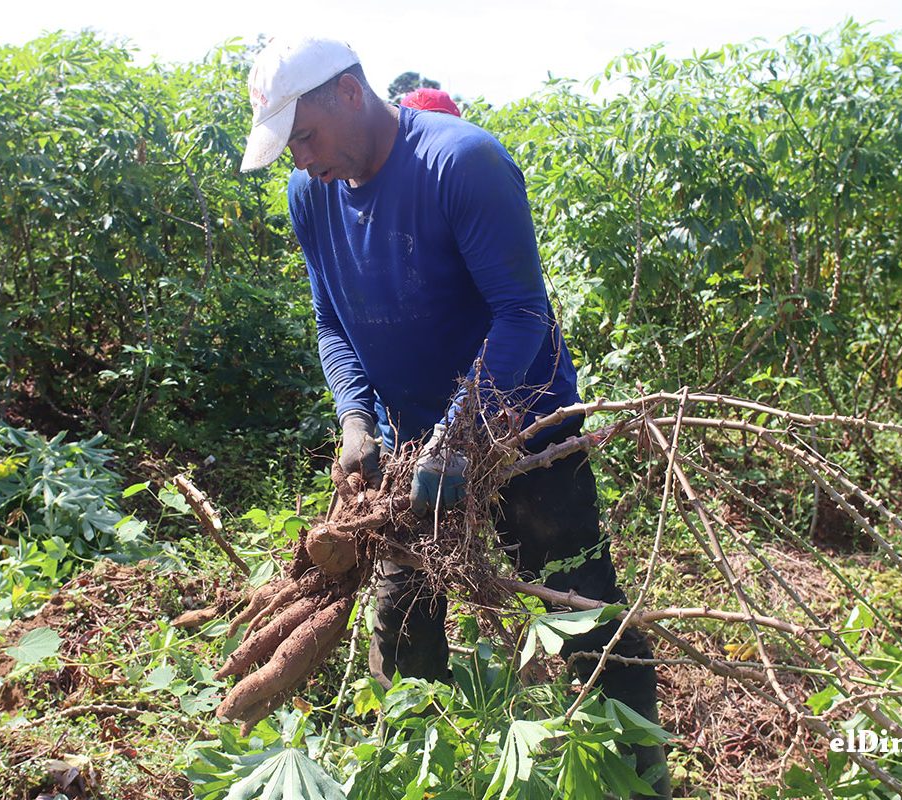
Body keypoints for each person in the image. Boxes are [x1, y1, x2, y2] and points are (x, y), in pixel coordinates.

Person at [240, 36, 669, 798]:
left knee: (580, 606)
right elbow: (332, 324)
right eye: (289, 147)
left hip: (525, 429)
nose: (301, 160)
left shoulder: (461, 163)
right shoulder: (311, 194)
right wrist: (355, 420)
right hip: (410, 448)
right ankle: (419, 770)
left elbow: (521, 313)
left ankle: (641, 777)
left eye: (304, 136)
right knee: (402, 623)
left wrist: (464, 430)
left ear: (350, 93)